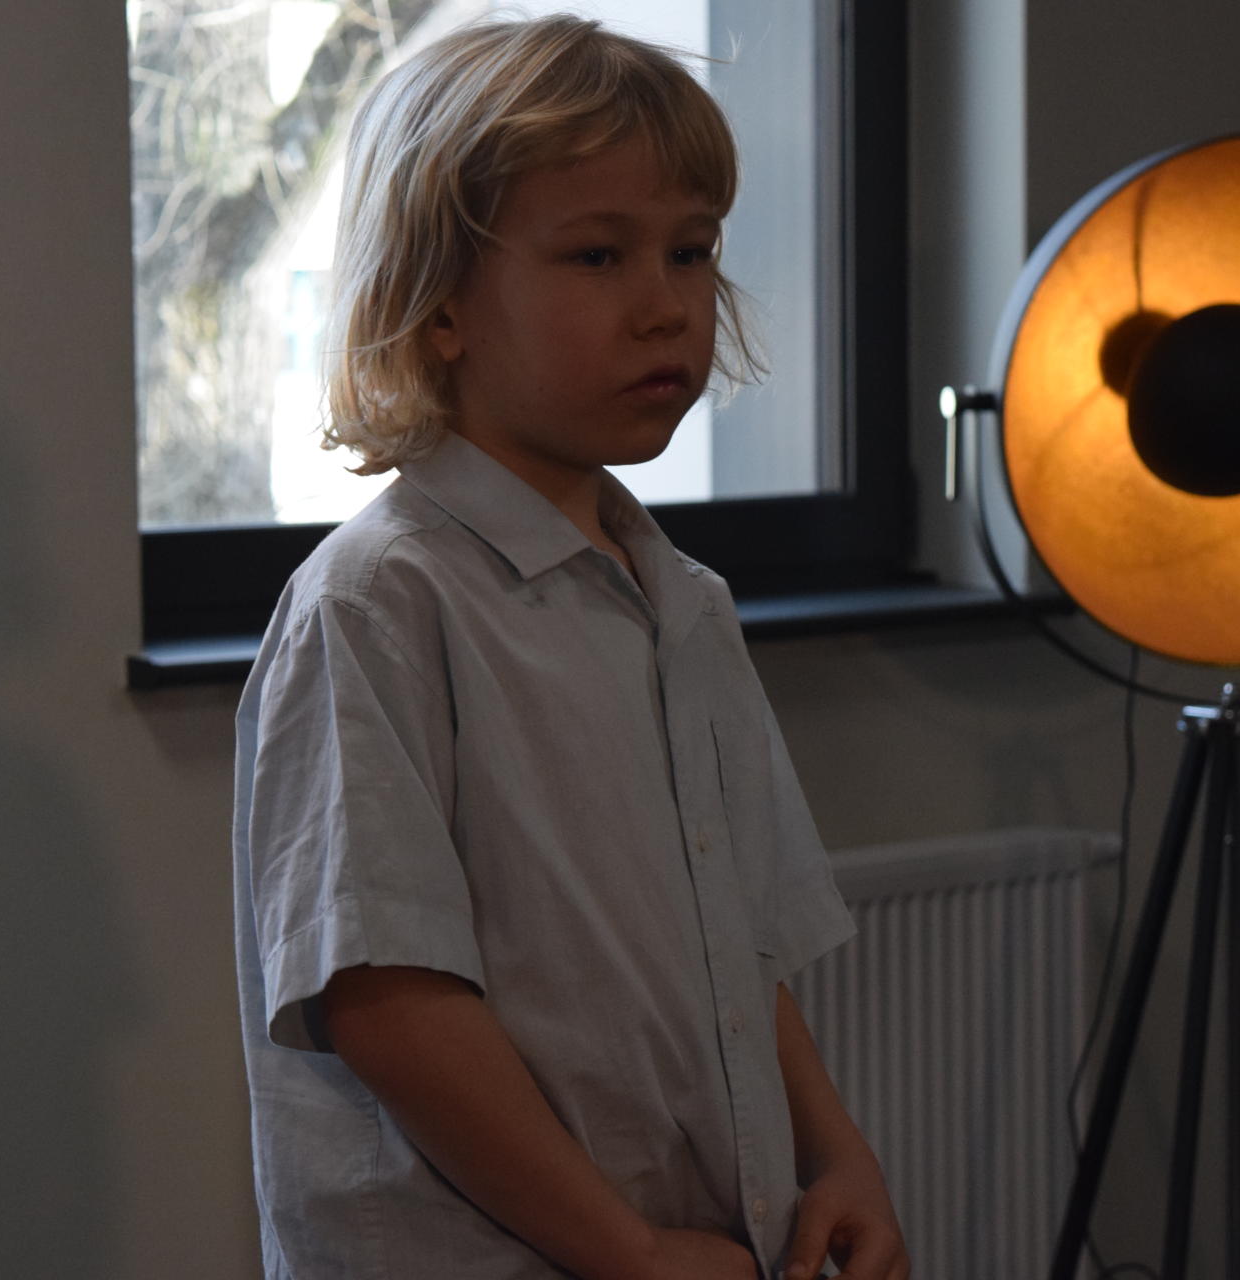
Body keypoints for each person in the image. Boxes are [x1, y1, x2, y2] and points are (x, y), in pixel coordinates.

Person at [231, 14, 909, 1279]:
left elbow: (738, 947)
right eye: (598, 255)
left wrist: (838, 1156)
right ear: (440, 305)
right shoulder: (377, 605)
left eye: (691, 251)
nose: (665, 306)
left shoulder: (684, 603)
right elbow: (388, 1002)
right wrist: (626, 1248)